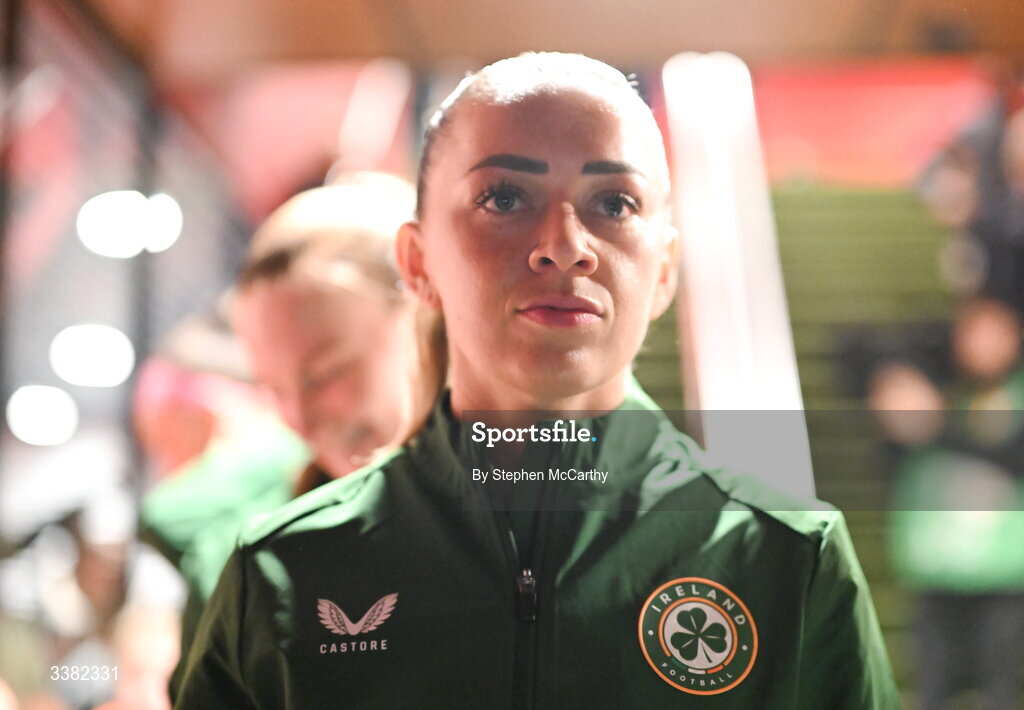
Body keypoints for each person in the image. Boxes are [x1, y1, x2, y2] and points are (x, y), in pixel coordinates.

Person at [175, 52, 898, 708]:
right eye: (505, 199)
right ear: (419, 261)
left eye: (614, 203)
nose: (564, 246)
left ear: (666, 270)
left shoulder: (784, 561)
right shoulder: (280, 572)